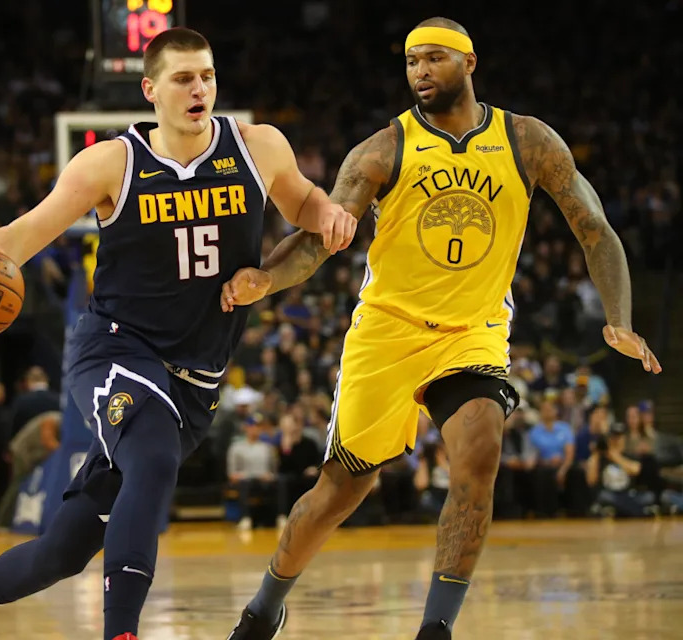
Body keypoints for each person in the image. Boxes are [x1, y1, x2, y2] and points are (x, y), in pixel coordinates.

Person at [221, 17, 661, 640]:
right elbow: (321, 239)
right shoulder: (383, 150)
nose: (420, 72)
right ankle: (266, 603)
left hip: (472, 331)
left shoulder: (527, 140)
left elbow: (594, 227)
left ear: (470, 63)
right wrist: (265, 279)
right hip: (387, 330)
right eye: (411, 62)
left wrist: (619, 321)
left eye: (434, 59)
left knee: (479, 455)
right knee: (340, 491)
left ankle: (436, 630)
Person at [0, 27, 356, 640]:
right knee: (150, 455)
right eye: (182, 78)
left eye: (207, 75)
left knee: (65, 551)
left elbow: (301, 201)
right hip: (115, 350)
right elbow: (27, 232)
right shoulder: (110, 163)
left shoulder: (257, 147)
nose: (199, 88)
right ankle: (122, 632)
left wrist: (327, 211)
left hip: (195, 380)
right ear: (150, 90)